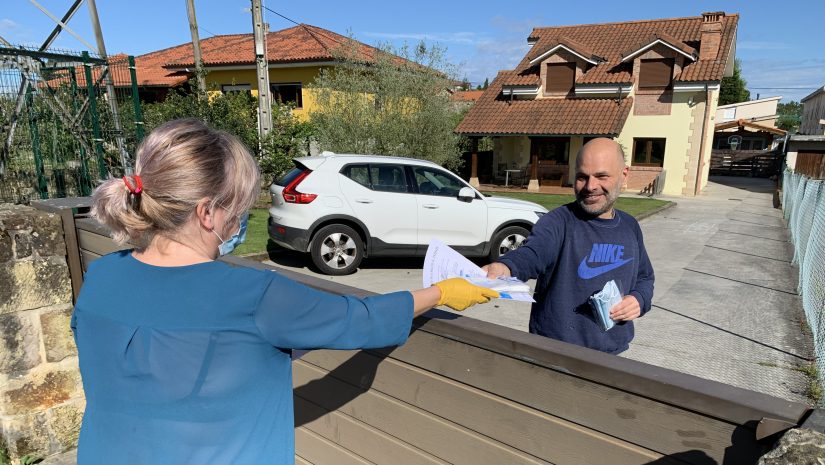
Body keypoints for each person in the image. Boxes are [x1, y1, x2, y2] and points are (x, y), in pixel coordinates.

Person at [71, 118, 498, 465]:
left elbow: (180, 355)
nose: (239, 221)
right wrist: (441, 293)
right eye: (236, 209)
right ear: (205, 213)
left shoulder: (104, 275)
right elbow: (361, 321)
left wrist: (274, 344)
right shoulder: (252, 293)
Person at [483, 138, 654, 354]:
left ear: (624, 175)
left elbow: (645, 278)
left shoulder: (630, 227)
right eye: (582, 177)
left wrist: (639, 299)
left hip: (614, 356)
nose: (590, 186)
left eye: (601, 176)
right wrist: (504, 268)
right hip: (555, 355)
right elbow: (531, 254)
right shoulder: (558, 222)